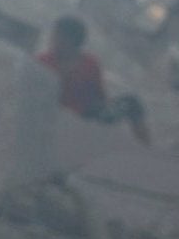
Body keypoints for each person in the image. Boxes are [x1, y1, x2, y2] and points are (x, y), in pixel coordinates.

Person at [38, 16, 150, 145]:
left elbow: (100, 97)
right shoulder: (43, 62)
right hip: (59, 119)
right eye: (54, 36)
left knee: (131, 102)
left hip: (87, 116)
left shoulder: (90, 64)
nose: (52, 41)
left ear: (70, 41)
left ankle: (145, 146)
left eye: (57, 37)